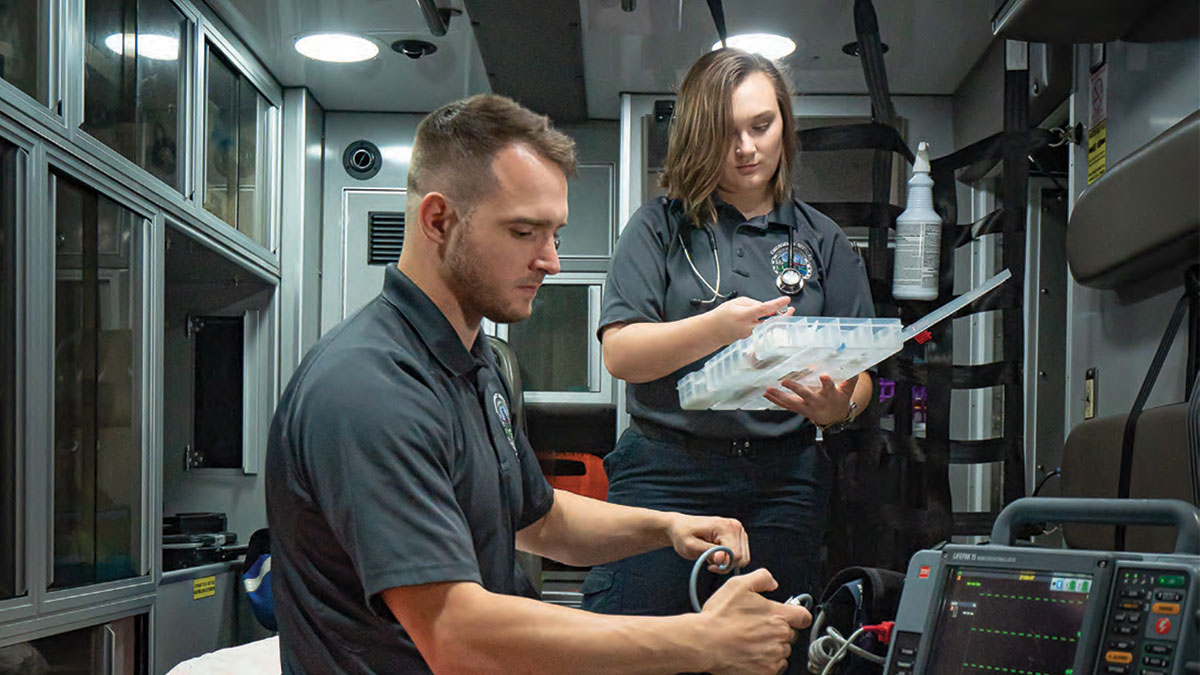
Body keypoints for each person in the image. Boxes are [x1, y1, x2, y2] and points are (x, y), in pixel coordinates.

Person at [265, 93, 811, 675]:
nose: (551, 261)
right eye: (525, 231)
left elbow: (540, 519)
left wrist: (667, 527)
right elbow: (454, 633)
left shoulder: (478, 365)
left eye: (556, 234)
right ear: (437, 220)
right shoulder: (370, 388)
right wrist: (701, 641)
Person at [581, 48, 875, 648]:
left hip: (782, 481)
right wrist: (719, 327)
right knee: (641, 647)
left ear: (784, 125)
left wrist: (836, 408)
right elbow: (622, 355)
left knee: (772, 649)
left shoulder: (822, 241)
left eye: (761, 126)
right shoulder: (659, 228)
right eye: (725, 132)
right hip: (666, 473)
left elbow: (860, 373)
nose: (746, 148)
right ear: (696, 135)